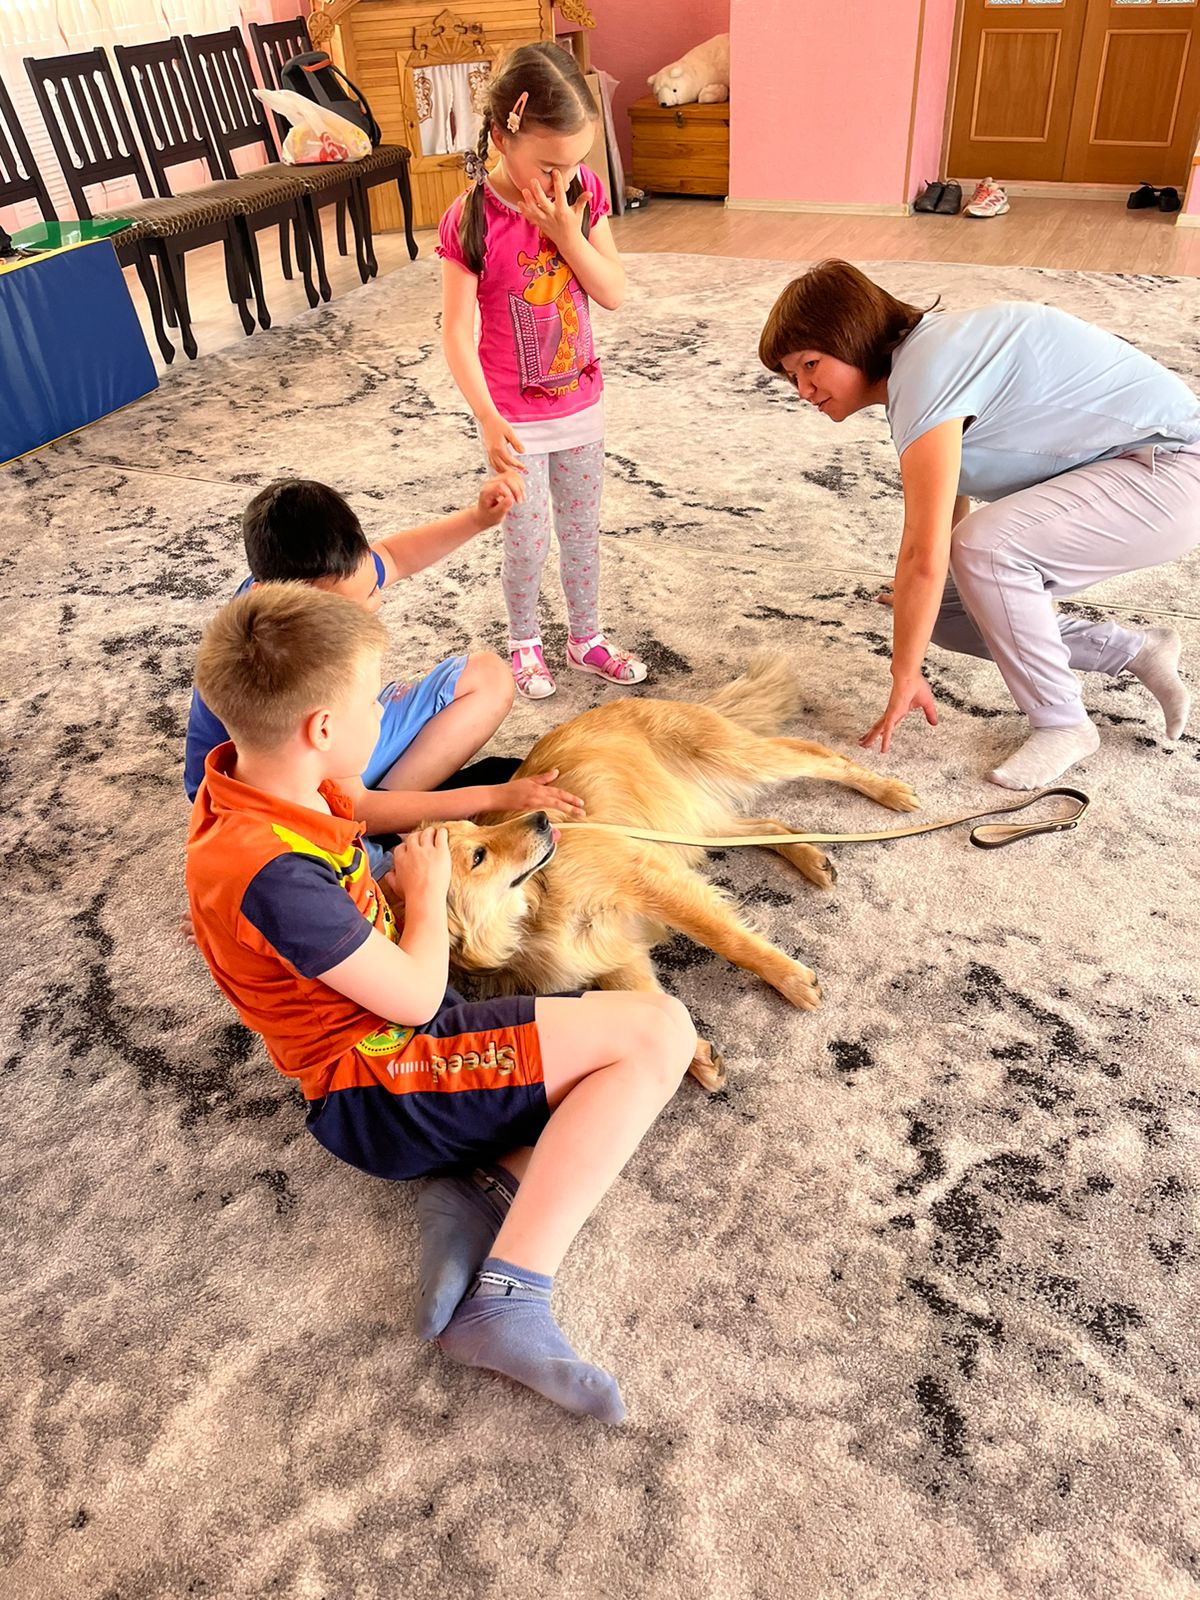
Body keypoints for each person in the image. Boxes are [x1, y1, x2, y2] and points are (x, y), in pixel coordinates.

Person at [186, 583, 697, 1423]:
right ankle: (510, 1299)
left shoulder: (265, 785)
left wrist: (498, 800)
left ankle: (477, 1192)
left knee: (590, 1078)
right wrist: (421, 895)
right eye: (375, 702)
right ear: (322, 729)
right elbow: (421, 1000)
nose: (386, 712)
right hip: (381, 1086)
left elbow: (369, 806)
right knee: (658, 1037)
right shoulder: (273, 874)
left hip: (391, 1058)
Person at [759, 260, 1200, 788]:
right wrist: (914, 604)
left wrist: (904, 672)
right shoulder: (924, 366)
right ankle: (1134, 649)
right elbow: (945, 513)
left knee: (986, 550)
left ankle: (1062, 722)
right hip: (1137, 474)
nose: (803, 389)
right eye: (791, 377)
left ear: (851, 337)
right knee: (944, 614)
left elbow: (924, 552)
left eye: (810, 364)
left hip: (1173, 471)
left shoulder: (926, 370)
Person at [182, 478, 585, 873]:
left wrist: (478, 519)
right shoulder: (288, 668)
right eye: (354, 609)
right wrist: (493, 797)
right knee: (386, 869)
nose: (375, 604)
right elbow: (352, 803)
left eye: (372, 588)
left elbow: (392, 555)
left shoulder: (297, 595)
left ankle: (390, 817)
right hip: (278, 791)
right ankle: (378, 835)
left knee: (488, 676)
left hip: (328, 753)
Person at [438, 41, 647, 701]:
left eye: (574, 163)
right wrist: (488, 419)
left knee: (581, 530)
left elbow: (611, 291)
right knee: (525, 543)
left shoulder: (582, 194)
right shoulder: (471, 220)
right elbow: (457, 332)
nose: (563, 179)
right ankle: (524, 641)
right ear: (502, 137)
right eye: (547, 164)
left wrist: (565, 232)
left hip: (582, 407)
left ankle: (584, 638)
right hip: (516, 421)